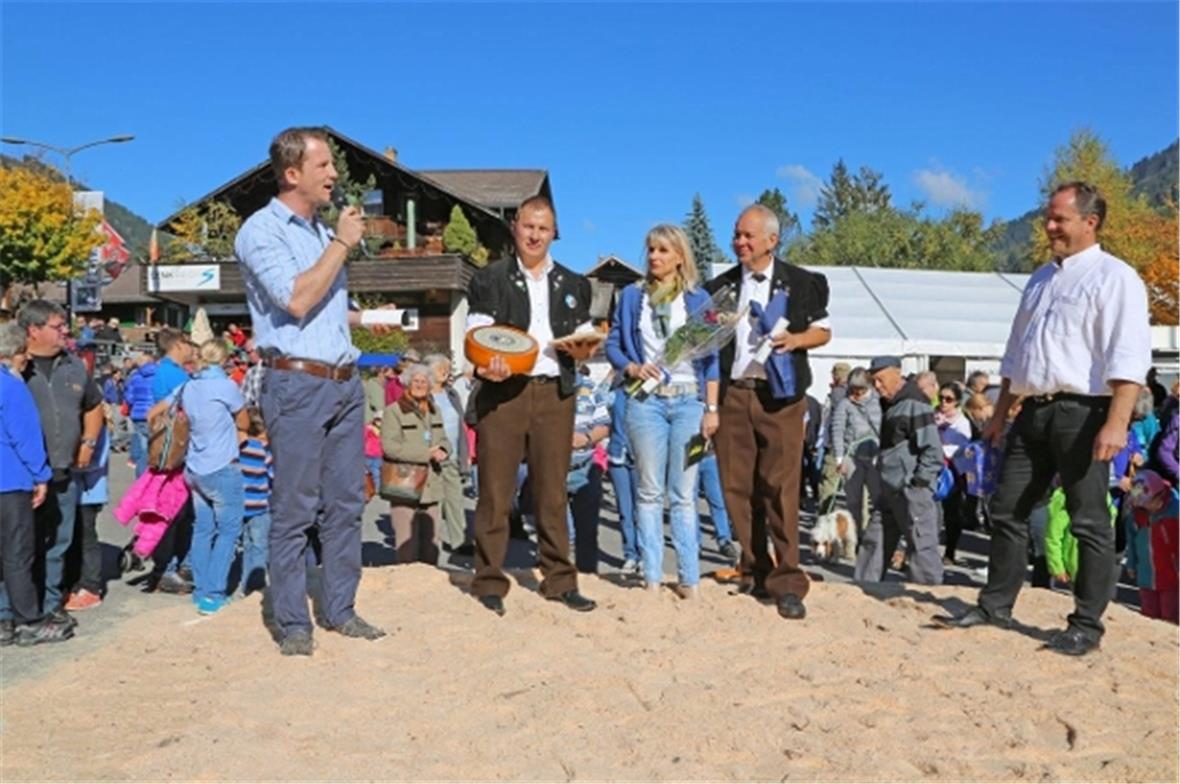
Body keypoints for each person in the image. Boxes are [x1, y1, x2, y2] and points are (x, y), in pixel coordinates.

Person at [940, 181, 1152, 657]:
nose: (1049, 226)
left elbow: (1127, 359)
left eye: (1059, 218)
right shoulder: (1039, 279)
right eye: (1048, 217)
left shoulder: (1115, 278)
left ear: (1090, 222)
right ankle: (996, 605)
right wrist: (998, 415)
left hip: (1085, 411)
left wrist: (1116, 424)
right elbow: (1017, 354)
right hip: (1031, 412)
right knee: (1006, 509)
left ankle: (1086, 624)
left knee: (1089, 521)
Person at [235, 126, 389, 654]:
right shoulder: (261, 231)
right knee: (295, 507)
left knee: (346, 505)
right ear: (292, 173)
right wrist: (344, 243)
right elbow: (296, 300)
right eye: (323, 165)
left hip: (344, 382)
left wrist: (368, 316)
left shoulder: (322, 233)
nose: (333, 174)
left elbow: (323, 307)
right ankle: (294, 624)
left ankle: (341, 609)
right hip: (296, 383)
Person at [465, 195, 599, 616]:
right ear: (515, 228)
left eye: (543, 228)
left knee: (552, 490)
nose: (535, 235)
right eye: (528, 226)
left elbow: (583, 337)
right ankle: (489, 580)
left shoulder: (575, 284)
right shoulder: (490, 279)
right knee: (496, 490)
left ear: (554, 233)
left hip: (555, 393)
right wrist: (488, 366)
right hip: (504, 393)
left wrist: (584, 350)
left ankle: (559, 580)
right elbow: (477, 335)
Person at [707, 204, 831, 619]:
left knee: (780, 488)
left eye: (748, 236)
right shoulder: (718, 288)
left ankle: (789, 580)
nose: (740, 242)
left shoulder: (803, 283)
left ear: (772, 240)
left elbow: (824, 330)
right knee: (737, 489)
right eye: (736, 235)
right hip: (733, 394)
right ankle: (757, 569)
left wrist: (796, 340)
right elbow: (703, 346)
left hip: (781, 396)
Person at [606, 224, 721, 599]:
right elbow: (614, 344)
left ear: (679, 256)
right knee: (649, 491)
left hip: (689, 400)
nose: (655, 257)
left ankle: (689, 578)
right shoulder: (630, 296)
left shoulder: (699, 299)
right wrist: (632, 368)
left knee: (685, 493)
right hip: (645, 402)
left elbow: (712, 359)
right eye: (651, 249)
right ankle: (652, 576)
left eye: (663, 250)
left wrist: (712, 409)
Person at [5, 301, 105, 631]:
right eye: (58, 326)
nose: (65, 332)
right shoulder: (17, 369)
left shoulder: (74, 366)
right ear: (33, 331)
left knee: (57, 544)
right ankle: (12, 611)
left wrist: (89, 442)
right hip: (23, 479)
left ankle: (49, 604)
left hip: (62, 472)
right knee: (17, 546)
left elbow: (94, 405)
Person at [150, 340, 249, 615]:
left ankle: (202, 589)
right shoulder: (226, 387)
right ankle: (214, 593)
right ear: (224, 358)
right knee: (228, 530)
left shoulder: (187, 386)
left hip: (194, 467)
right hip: (221, 466)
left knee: (203, 529)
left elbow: (154, 411)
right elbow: (243, 422)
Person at [0, 322, 72, 646]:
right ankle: (28, 619)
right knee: (17, 554)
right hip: (10, 480)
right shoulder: (12, 387)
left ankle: (3, 618)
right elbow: (25, 437)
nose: (26, 362)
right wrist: (41, 476)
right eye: (23, 357)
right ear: (13, 354)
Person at [853, 357, 944, 585]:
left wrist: (919, 482)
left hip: (910, 488)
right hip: (890, 487)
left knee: (921, 545)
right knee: (875, 538)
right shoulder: (894, 404)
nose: (878, 387)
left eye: (881, 380)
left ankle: (928, 594)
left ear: (897, 373)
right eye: (874, 382)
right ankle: (864, 588)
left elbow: (932, 449)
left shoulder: (915, 402)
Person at [381, 363, 449, 564]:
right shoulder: (394, 411)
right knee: (406, 546)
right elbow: (390, 447)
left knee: (432, 545)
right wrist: (425, 454)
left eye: (424, 381)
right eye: (416, 381)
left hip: (432, 485)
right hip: (405, 484)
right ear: (407, 384)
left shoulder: (435, 410)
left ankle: (429, 591)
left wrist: (444, 450)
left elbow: (443, 438)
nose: (420, 385)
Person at [425, 354, 472, 553]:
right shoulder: (421, 395)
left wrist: (465, 453)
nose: (446, 371)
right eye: (441, 368)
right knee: (431, 502)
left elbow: (461, 426)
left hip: (451, 456)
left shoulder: (452, 394)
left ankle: (459, 542)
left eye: (447, 368)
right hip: (430, 456)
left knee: (455, 500)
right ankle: (429, 542)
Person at [566, 371, 610, 575]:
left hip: (585, 466)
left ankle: (587, 573)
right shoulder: (542, 386)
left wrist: (586, 437)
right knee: (559, 531)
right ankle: (559, 573)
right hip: (554, 467)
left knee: (588, 530)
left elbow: (604, 425)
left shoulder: (590, 388)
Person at [63, 426, 111, 611]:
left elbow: (97, 459)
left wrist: (70, 465)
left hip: (90, 493)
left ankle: (91, 587)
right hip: (74, 491)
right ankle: (73, 584)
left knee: (86, 538)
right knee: (72, 539)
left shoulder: (97, 426)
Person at [830, 367, 881, 533]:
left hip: (875, 457)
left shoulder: (879, 401)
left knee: (879, 501)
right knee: (853, 502)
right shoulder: (844, 404)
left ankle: (876, 537)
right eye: (853, 389)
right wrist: (839, 459)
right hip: (852, 458)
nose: (856, 393)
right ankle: (855, 538)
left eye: (861, 389)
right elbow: (837, 430)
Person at [1125, 470, 1178, 624]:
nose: (1145, 507)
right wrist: (1131, 563)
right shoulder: (1137, 514)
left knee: (1170, 615)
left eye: (1148, 503)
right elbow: (1132, 540)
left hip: (1171, 576)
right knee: (1148, 615)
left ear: (1160, 496)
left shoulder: (1175, 511)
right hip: (1146, 574)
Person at [936, 382, 973, 566]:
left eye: (948, 399)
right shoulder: (934, 417)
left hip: (954, 471)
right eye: (941, 398)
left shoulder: (962, 422)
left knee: (952, 513)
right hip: (934, 468)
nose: (943, 402)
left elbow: (962, 447)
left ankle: (950, 551)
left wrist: (942, 449)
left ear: (957, 402)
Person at [238, 408, 274, 596]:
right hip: (260, 505)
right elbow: (273, 474)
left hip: (242, 505)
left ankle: (245, 584)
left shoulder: (240, 447)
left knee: (247, 545)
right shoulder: (263, 450)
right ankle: (256, 585)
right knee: (260, 546)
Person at [817, 362, 852, 512]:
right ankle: (862, 526)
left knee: (828, 485)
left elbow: (836, 421)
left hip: (836, 446)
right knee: (857, 488)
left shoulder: (838, 393)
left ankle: (824, 523)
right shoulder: (857, 393)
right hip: (853, 445)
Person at [123, 352, 157, 477]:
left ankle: (140, 476)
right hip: (153, 413)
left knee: (143, 448)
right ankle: (146, 476)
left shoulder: (135, 376)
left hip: (137, 414)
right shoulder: (158, 375)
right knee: (151, 448)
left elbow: (129, 397)